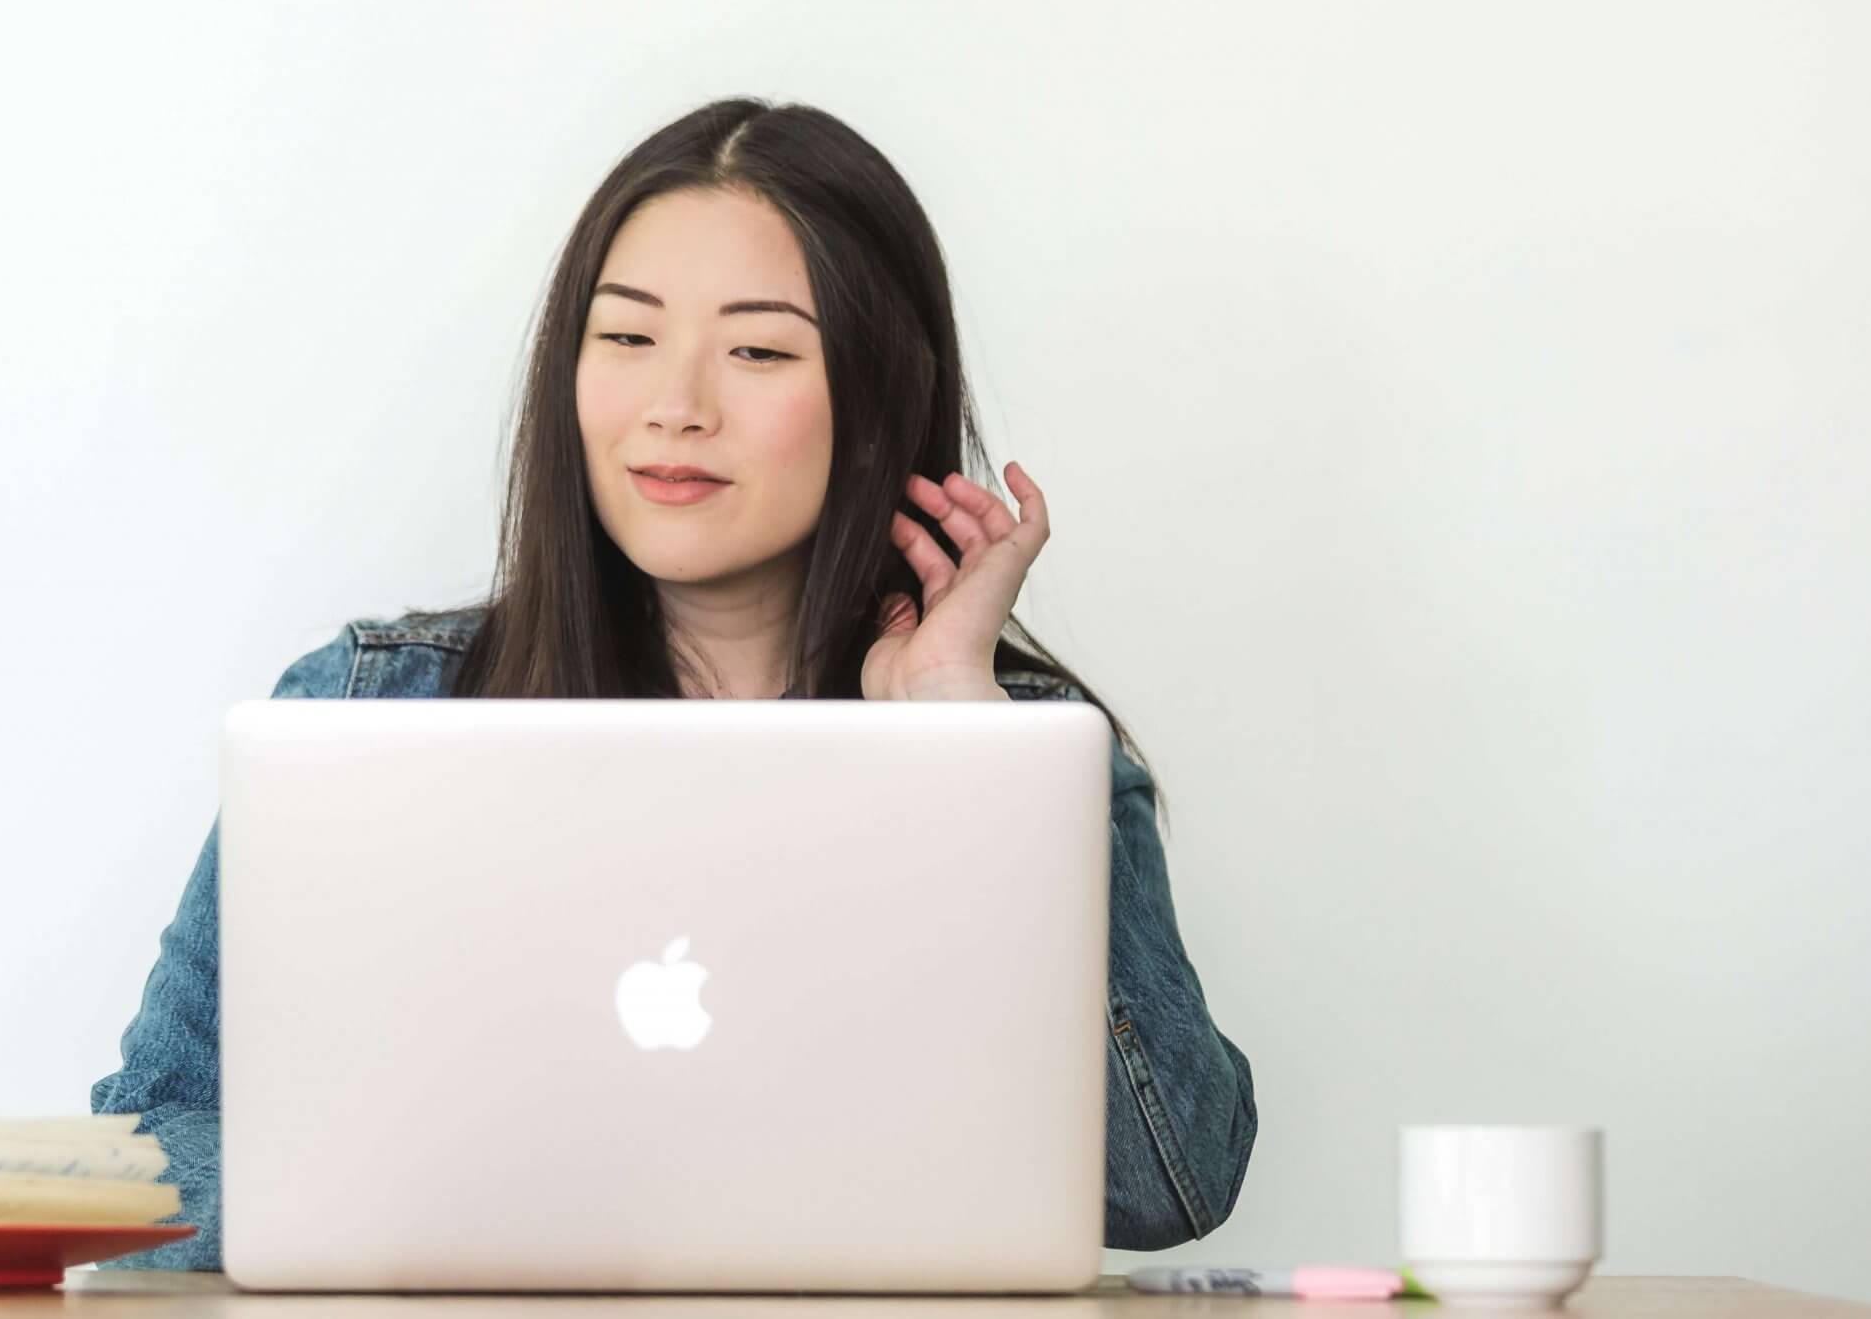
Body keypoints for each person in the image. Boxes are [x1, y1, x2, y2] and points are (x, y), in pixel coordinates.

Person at [88, 96, 1258, 1259]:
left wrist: (965, 740)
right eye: (628, 337)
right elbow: (140, 1150)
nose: (676, 407)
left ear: (873, 406)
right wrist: (524, 1209)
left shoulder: (1018, 744)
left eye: (756, 350)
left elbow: (1167, 1181)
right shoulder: (364, 710)